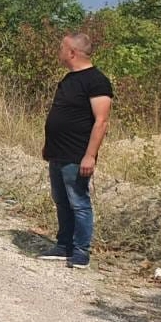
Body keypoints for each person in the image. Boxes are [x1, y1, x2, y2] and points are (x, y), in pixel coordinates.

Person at [38, 32, 113, 269]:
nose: (59, 51)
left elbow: (101, 122)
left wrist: (90, 155)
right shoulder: (69, 79)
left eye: (62, 47)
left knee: (79, 202)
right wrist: (48, 145)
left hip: (77, 154)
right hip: (58, 152)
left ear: (72, 52)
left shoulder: (97, 81)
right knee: (61, 200)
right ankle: (64, 246)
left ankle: (81, 251)